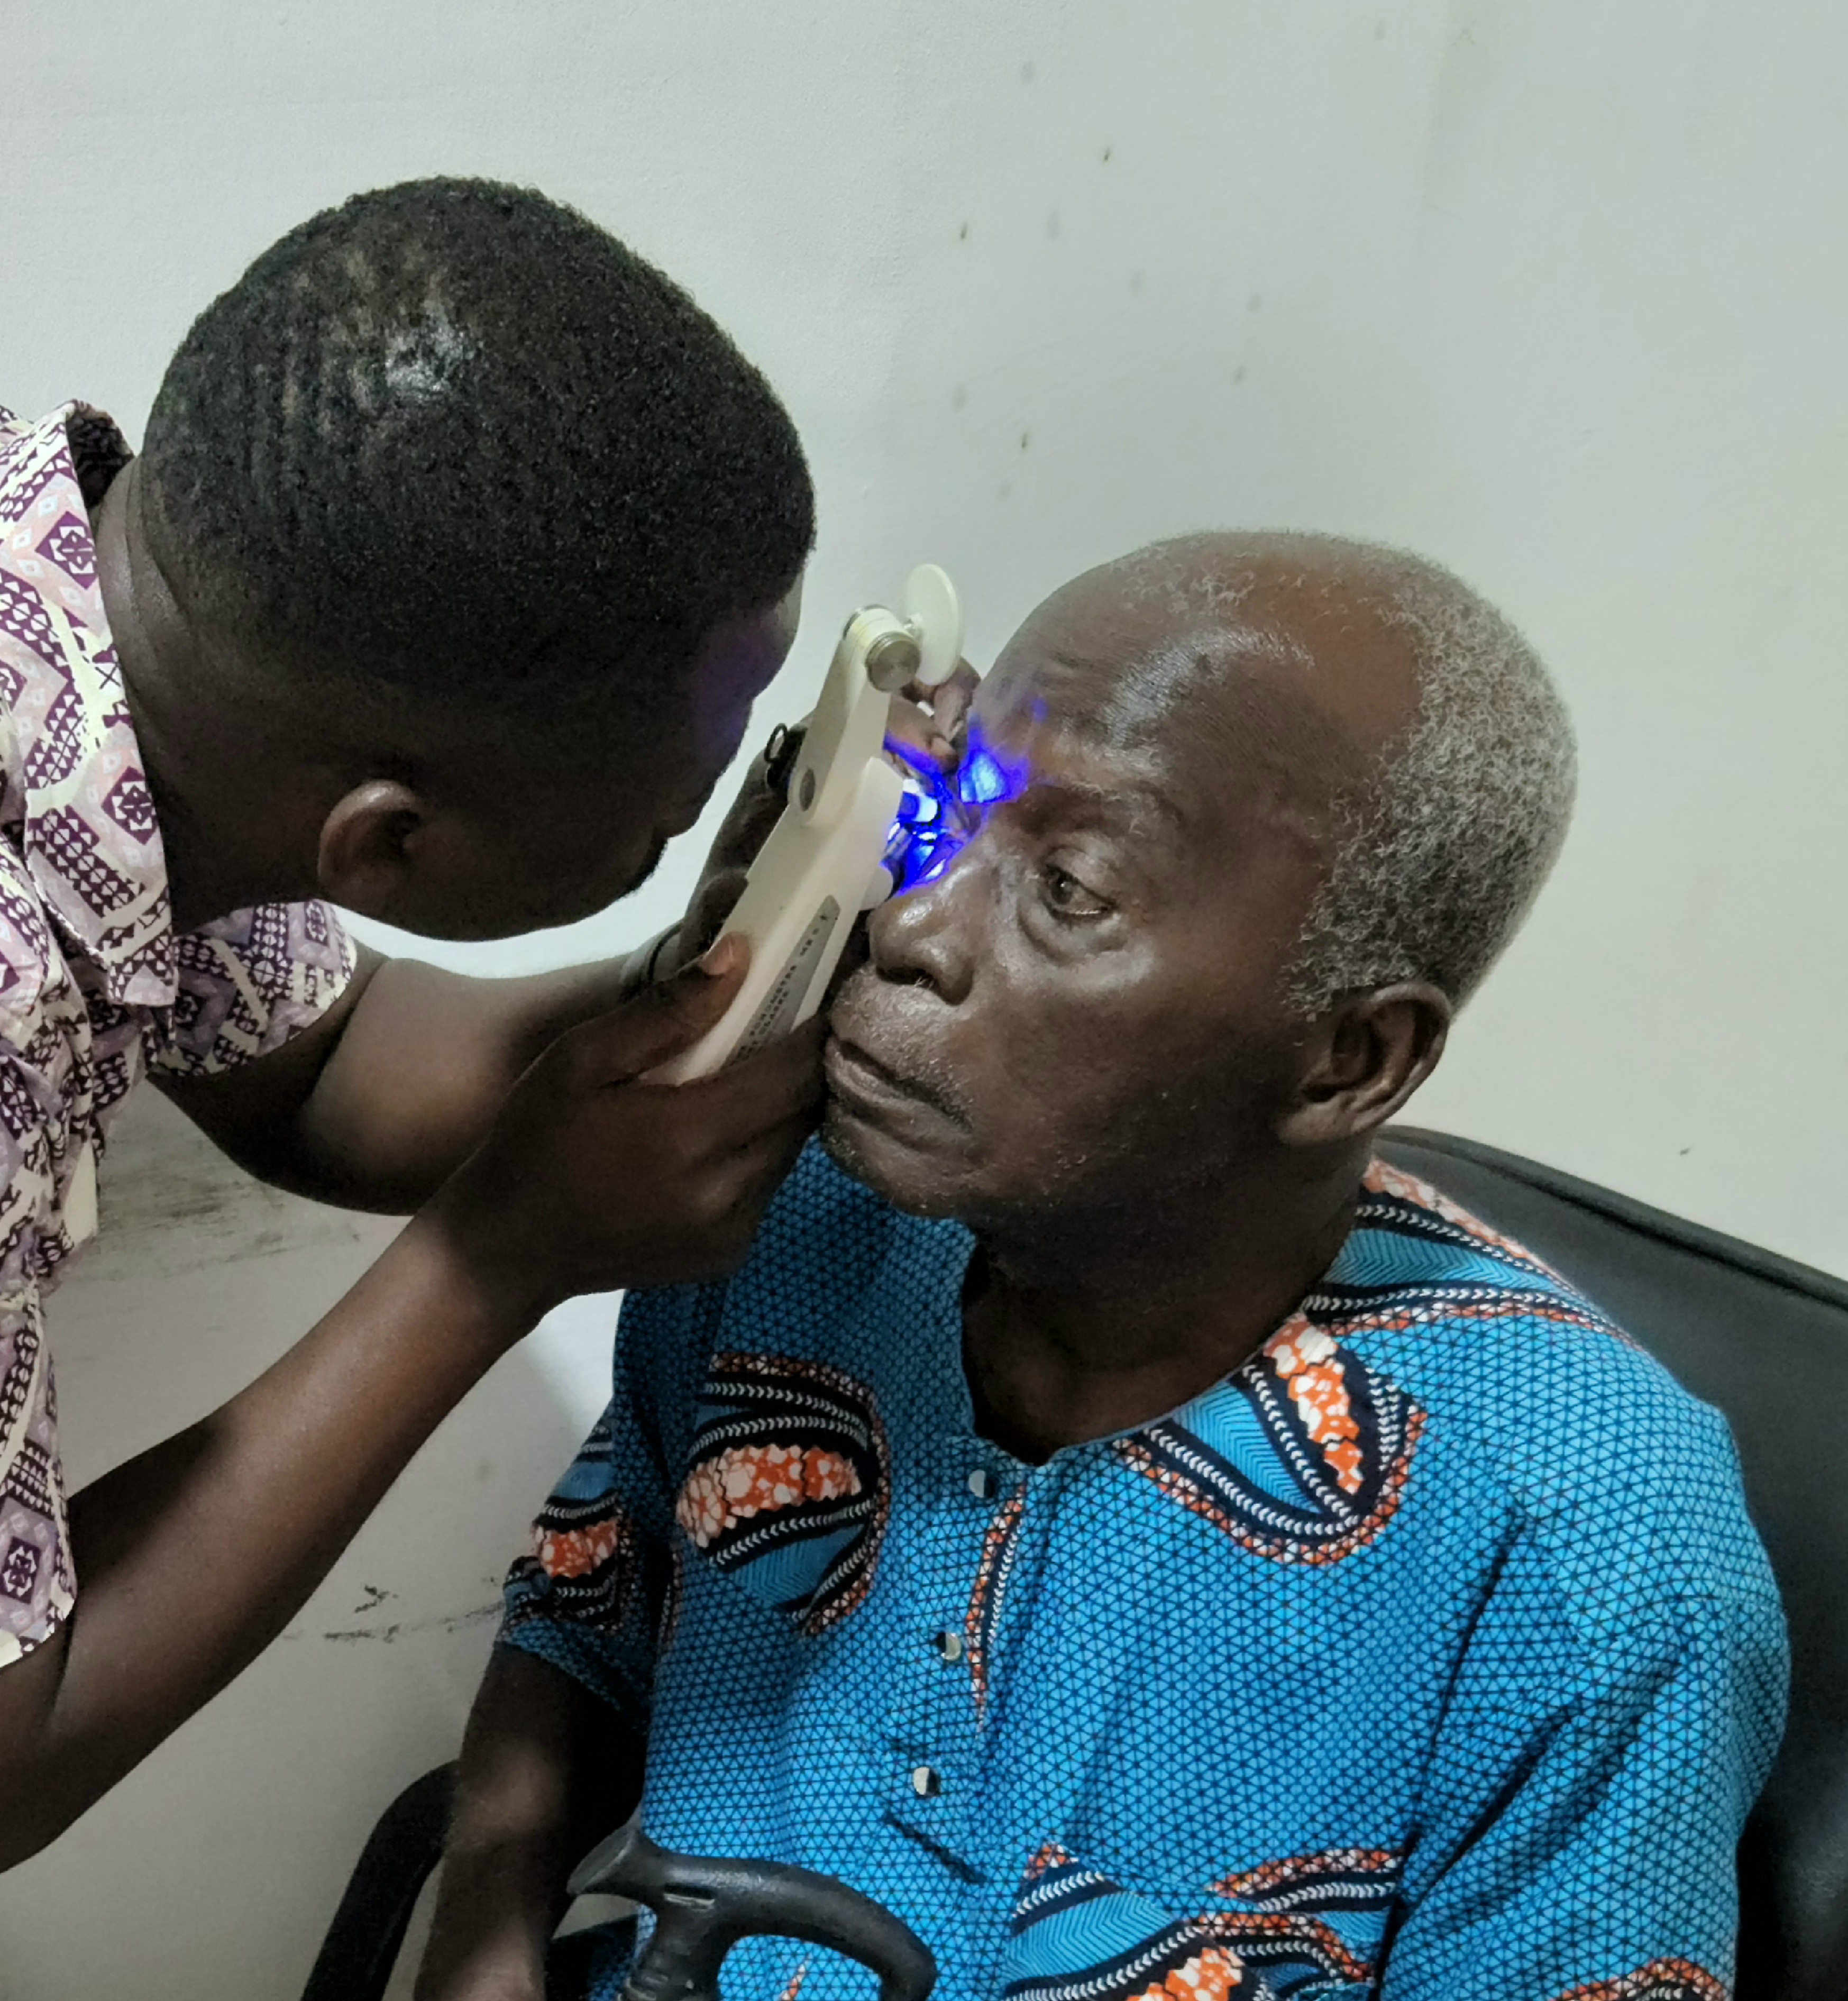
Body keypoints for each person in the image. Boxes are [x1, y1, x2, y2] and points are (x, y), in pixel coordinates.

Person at [418, 534, 1787, 2001]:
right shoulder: (786, 1221)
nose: (910, 925)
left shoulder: (1587, 1559)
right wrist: (483, 1941)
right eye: (948, 822)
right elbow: (585, 1620)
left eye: (1067, 890)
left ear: (1350, 1057)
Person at [0, 176, 846, 1865]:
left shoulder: (111, 647)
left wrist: (702, 962)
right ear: (391, 841)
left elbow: (316, 1061)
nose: (675, 831)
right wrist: (492, 1259)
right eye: (659, 824)